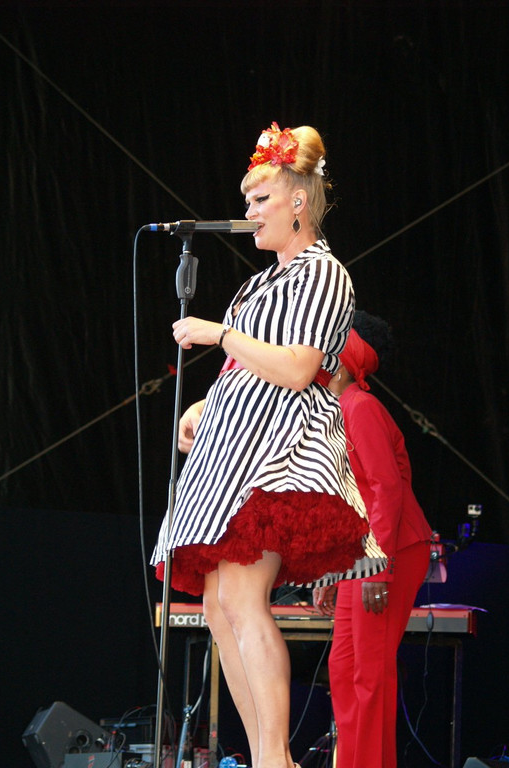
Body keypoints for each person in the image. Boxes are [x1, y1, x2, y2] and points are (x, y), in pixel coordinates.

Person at [151, 123, 386, 768]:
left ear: (298, 202)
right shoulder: (262, 283)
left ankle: (274, 758)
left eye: (261, 200)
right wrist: (205, 407)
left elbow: (298, 367)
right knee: (218, 605)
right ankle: (264, 755)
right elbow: (248, 369)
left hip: (278, 452)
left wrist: (219, 334)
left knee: (242, 598)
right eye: (248, 201)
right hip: (233, 450)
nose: (250, 212)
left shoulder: (323, 273)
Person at [313, 311, 433, 768]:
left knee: (369, 672)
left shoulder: (361, 407)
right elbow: (346, 499)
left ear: (342, 358)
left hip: (390, 551)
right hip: (361, 555)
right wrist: (330, 570)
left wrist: (377, 569)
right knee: (343, 669)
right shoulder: (335, 412)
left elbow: (386, 489)